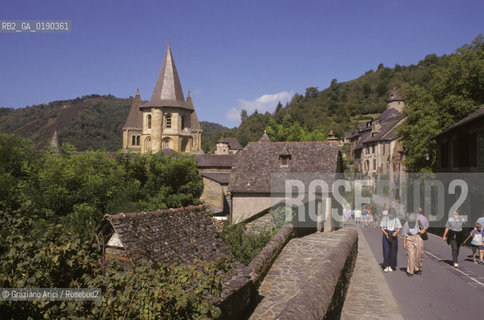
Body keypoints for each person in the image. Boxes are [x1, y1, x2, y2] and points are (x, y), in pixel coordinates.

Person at [380, 207, 401, 272]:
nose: (391, 215)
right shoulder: (385, 218)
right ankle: (386, 265)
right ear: (388, 213)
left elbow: (399, 228)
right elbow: (381, 227)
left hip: (393, 234)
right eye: (390, 214)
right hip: (386, 234)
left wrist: (396, 232)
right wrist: (385, 233)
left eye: (393, 214)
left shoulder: (396, 219)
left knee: (393, 251)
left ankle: (392, 265)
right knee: (386, 250)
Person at [402, 213, 423, 277]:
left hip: (417, 237)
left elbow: (425, 228)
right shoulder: (406, 224)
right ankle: (410, 271)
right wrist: (404, 243)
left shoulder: (418, 222)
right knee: (411, 255)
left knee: (419, 255)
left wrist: (422, 231)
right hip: (410, 239)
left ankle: (417, 268)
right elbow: (405, 235)